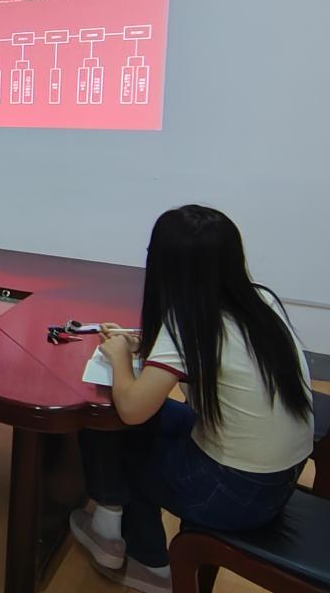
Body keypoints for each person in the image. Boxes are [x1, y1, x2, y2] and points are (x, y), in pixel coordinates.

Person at [71, 205, 313, 593]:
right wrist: (140, 346)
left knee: (114, 425)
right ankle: (110, 526)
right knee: (137, 419)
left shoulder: (187, 321)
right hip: (280, 477)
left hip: (232, 492)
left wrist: (119, 357)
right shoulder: (259, 300)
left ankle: (147, 564)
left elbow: (132, 410)